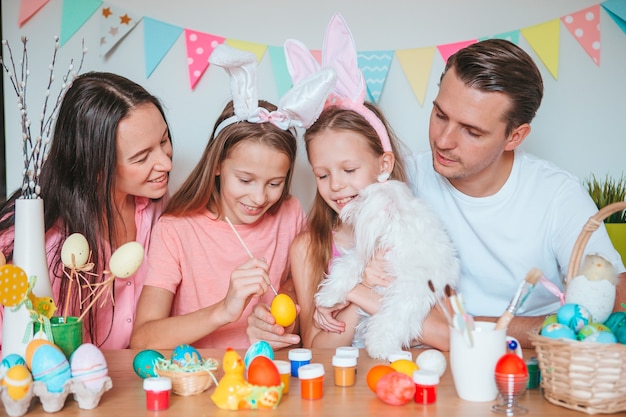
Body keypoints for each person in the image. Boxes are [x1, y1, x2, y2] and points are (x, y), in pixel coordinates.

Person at [407, 38, 626, 348]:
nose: (443, 140)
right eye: (441, 115)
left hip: (528, 369)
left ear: (515, 136)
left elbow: (612, 302)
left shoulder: (557, 194)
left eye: (471, 131)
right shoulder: (401, 180)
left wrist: (458, 329)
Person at [130, 45, 335, 349]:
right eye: (245, 180)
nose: (259, 197)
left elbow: (298, 286)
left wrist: (283, 312)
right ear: (216, 165)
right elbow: (143, 339)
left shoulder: (289, 213)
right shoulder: (176, 228)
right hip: (204, 383)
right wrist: (224, 311)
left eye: (274, 183)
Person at [273, 14, 450, 352]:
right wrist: (353, 296)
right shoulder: (310, 248)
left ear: (384, 163)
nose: (335, 185)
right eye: (323, 175)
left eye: (349, 170)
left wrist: (357, 291)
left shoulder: (415, 231)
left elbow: (447, 336)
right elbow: (317, 350)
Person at [0, 71, 173, 349]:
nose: (166, 163)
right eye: (142, 157)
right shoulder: (37, 239)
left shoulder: (157, 208)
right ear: (94, 167)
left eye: (164, 141)